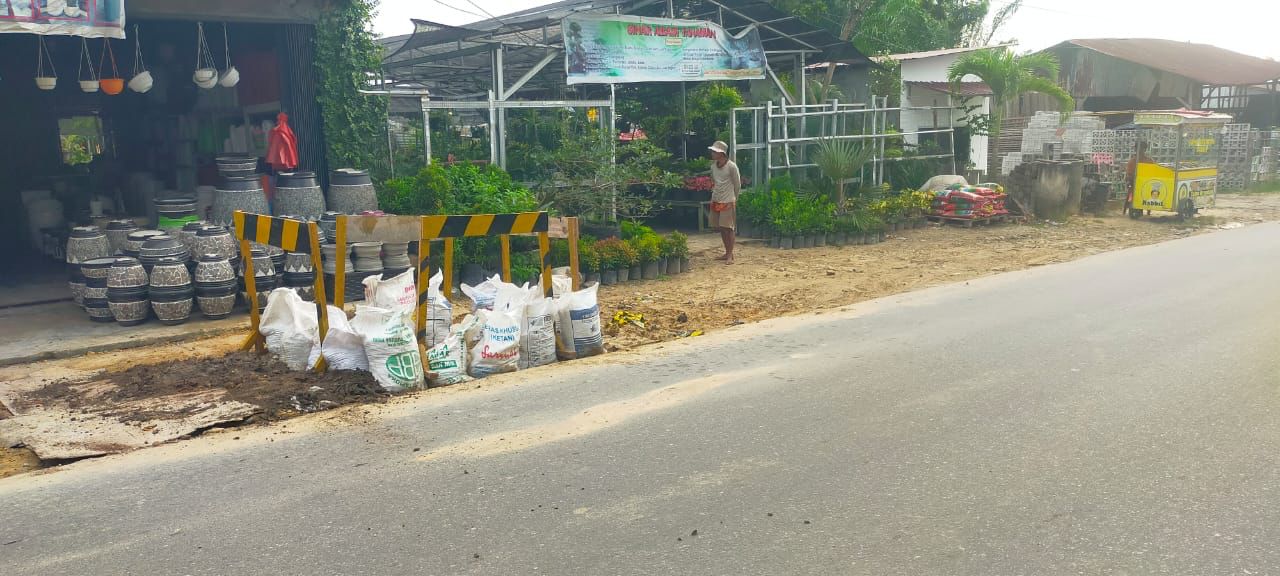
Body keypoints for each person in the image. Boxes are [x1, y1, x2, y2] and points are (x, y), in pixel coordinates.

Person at [708, 140, 740, 264]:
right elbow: (714, 182)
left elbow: (737, 185)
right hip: (716, 199)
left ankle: (730, 254)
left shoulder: (731, 166)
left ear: (721, 153)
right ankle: (727, 252)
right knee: (721, 228)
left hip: (728, 200)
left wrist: (734, 198)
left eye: (714, 151)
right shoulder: (713, 167)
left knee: (729, 228)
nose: (712, 153)